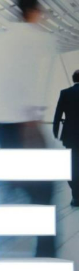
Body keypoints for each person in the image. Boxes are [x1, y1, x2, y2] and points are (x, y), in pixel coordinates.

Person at [0, 0, 59, 256]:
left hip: (2, 127)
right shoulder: (41, 39)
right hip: (27, 126)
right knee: (44, 191)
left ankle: (0, 241)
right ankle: (45, 253)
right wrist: (34, 122)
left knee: (15, 184)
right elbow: (37, 86)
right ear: (35, 9)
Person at [53, 70, 79, 206]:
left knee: (73, 165)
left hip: (71, 135)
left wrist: (55, 132)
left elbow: (58, 114)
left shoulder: (65, 93)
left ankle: (76, 196)